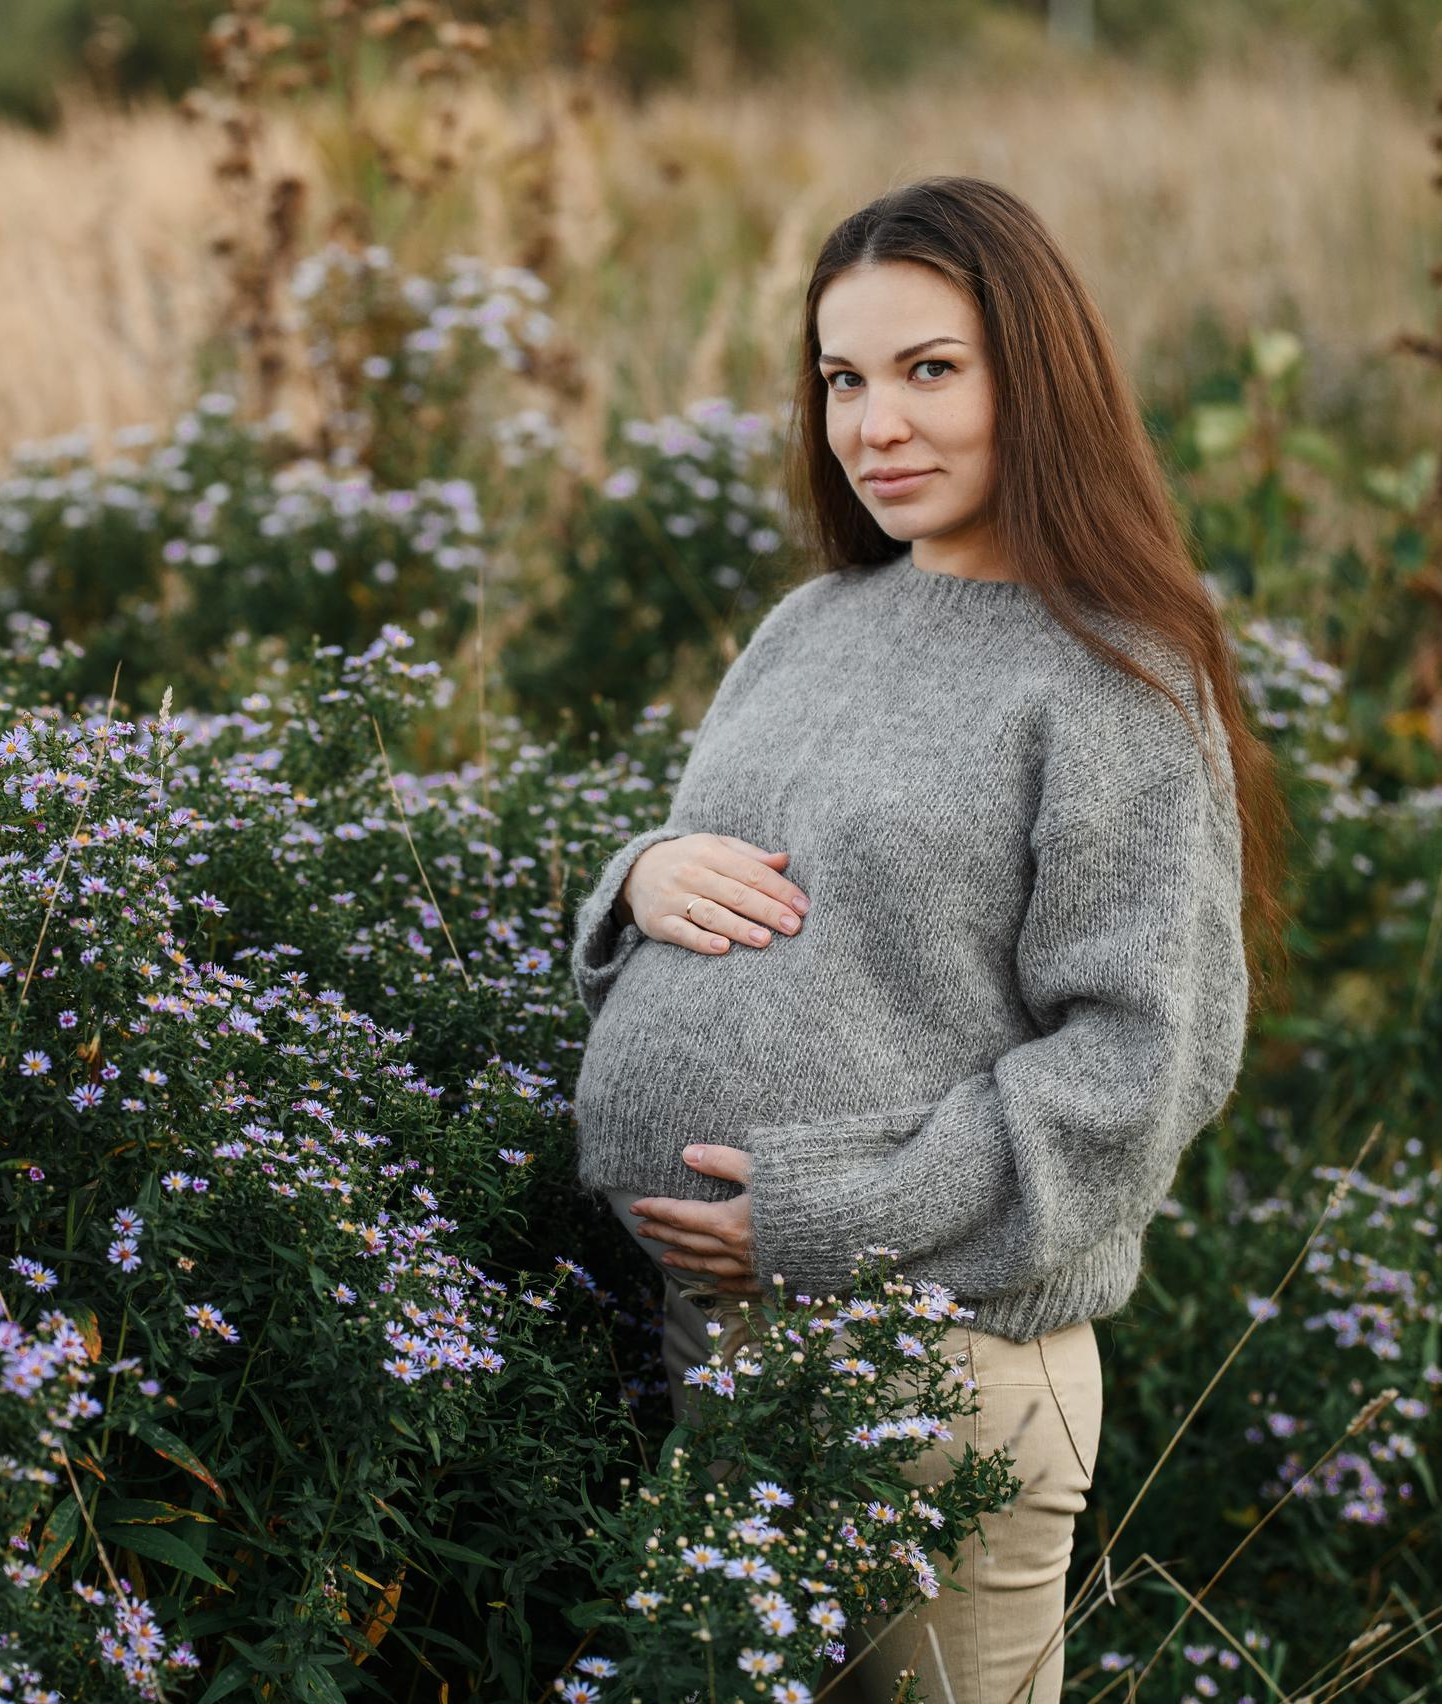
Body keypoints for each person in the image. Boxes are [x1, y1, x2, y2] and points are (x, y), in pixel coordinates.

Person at [566, 176, 1291, 1704]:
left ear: (1039, 376)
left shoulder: (1111, 675)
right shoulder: (812, 624)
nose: (873, 423)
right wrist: (637, 879)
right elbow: (760, 885)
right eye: (843, 378)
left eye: (929, 371)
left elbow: (1143, 1063)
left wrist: (833, 1220)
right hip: (717, 1338)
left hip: (940, 1371)